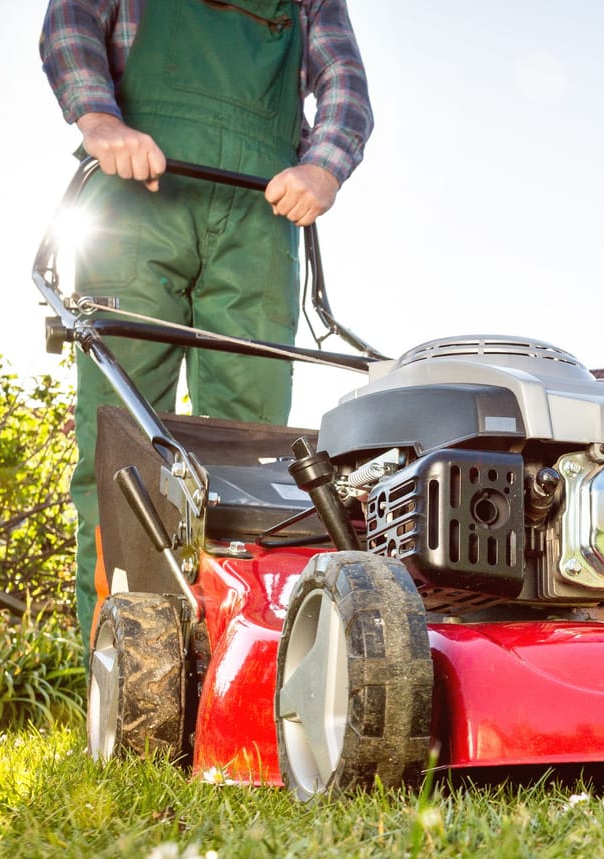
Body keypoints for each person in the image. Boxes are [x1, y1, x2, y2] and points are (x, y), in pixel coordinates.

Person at [39, 0, 374, 640]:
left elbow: (345, 86)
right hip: (133, 208)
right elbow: (70, 20)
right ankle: (120, 679)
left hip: (260, 218)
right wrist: (100, 119)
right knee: (122, 451)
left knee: (256, 464)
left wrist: (323, 166)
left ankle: (232, 665)